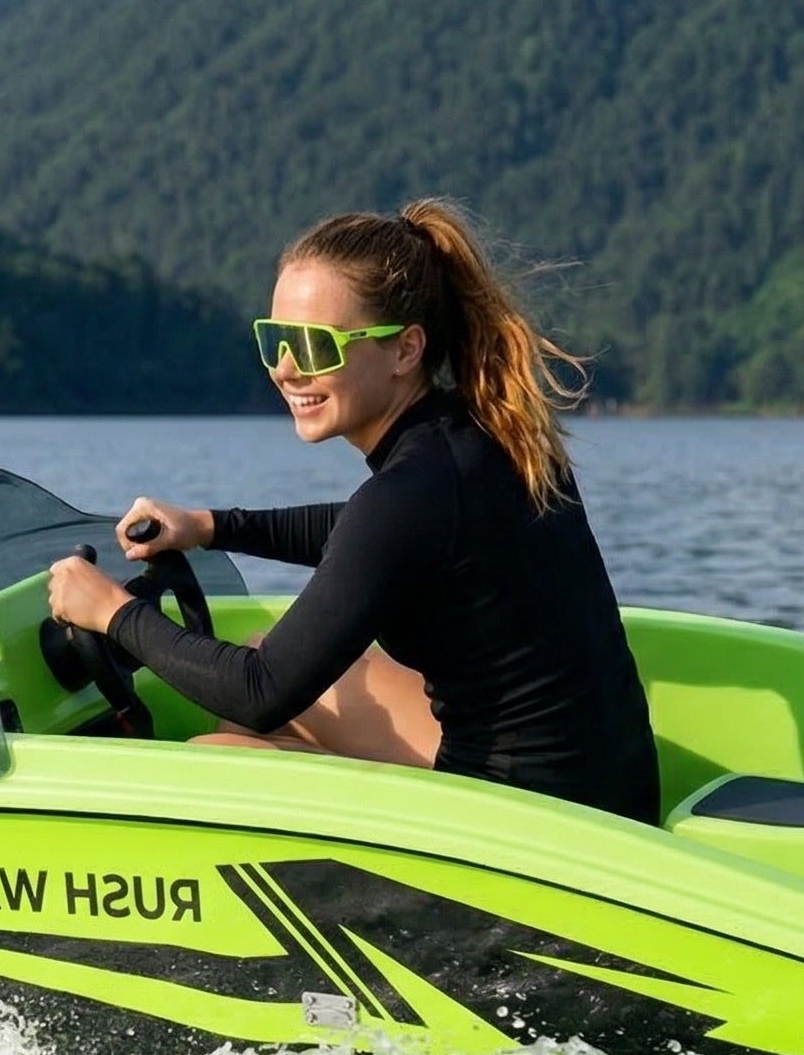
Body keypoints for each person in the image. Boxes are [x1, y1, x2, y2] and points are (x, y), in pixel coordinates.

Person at [43, 198, 660, 824]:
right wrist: (209, 525)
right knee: (261, 651)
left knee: (211, 757)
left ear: (405, 350)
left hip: (534, 825)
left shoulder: (408, 492)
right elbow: (360, 531)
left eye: (316, 347)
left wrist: (111, 611)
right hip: (612, 793)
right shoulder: (478, 436)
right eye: (276, 340)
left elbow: (260, 692)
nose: (286, 370)